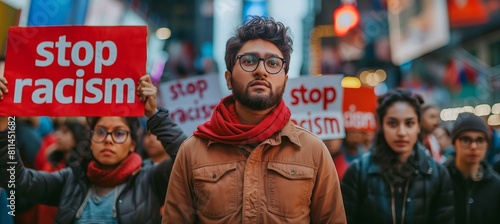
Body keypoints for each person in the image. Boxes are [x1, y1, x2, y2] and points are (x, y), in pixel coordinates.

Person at [163, 16, 346, 223]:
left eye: (273, 63)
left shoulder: (314, 151)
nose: (261, 71)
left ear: (285, 82)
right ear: (229, 79)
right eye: (249, 61)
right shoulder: (192, 151)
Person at [0, 75, 188, 223]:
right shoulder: (70, 181)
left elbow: (188, 159)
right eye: (100, 132)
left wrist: (154, 115)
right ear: (90, 140)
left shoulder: (150, 180)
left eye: (119, 133)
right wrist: (3, 123)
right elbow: (16, 179)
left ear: (132, 144)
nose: (108, 140)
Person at [341, 89, 454, 224]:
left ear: (418, 126)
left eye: (409, 123)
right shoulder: (359, 172)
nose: (401, 132)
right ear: (382, 126)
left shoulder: (438, 174)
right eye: (393, 123)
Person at [444, 112, 500, 224]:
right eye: (466, 139)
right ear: (454, 142)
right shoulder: (441, 180)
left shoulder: (496, 185)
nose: (473, 146)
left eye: (480, 140)